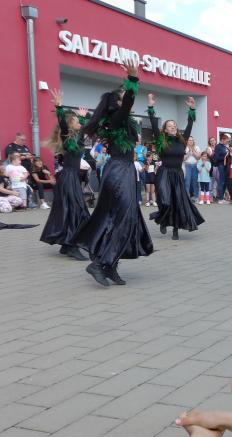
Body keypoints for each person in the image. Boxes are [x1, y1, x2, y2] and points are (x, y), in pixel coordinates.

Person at [75, 58, 154, 287]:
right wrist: (132, 79)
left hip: (122, 170)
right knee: (124, 218)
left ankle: (111, 265)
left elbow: (126, 102)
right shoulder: (116, 119)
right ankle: (100, 263)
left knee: (122, 218)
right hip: (119, 171)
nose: (125, 101)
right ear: (115, 104)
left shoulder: (119, 122)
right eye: (121, 99)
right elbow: (128, 101)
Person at [40, 89, 91, 261]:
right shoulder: (67, 138)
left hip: (73, 177)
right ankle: (71, 246)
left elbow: (82, 133)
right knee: (74, 210)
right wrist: (59, 107)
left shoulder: (77, 139)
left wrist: (82, 119)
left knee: (74, 210)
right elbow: (62, 124)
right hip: (68, 178)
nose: (79, 123)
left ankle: (66, 245)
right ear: (70, 125)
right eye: (75, 121)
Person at [147, 93, 204, 240]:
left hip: (178, 174)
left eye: (174, 125)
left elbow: (190, 125)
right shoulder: (161, 140)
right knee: (165, 200)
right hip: (164, 173)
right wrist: (151, 107)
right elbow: (153, 124)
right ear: (165, 129)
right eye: (169, 126)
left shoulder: (182, 140)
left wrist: (192, 109)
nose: (172, 127)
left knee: (177, 202)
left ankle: (175, 230)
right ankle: (162, 218)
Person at [183, 136, 201, 202]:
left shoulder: (197, 147)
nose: (191, 141)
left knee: (195, 182)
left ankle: (196, 197)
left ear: (193, 141)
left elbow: (198, 157)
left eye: (192, 140)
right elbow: (183, 158)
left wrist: (193, 151)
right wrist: (188, 152)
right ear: (187, 141)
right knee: (187, 182)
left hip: (195, 165)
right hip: (187, 165)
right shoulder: (184, 148)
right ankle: (187, 197)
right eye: (189, 140)